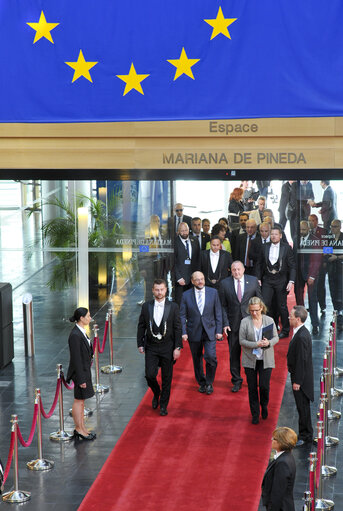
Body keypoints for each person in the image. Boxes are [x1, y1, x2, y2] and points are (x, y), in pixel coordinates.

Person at [137, 279, 182, 416]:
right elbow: (141, 326)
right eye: (157, 290)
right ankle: (157, 393)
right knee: (150, 375)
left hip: (168, 347)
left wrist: (177, 347)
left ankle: (163, 405)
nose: (159, 292)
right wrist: (140, 343)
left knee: (167, 378)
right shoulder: (146, 306)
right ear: (152, 290)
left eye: (162, 289)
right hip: (151, 347)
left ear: (166, 290)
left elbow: (178, 328)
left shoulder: (173, 307)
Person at [220, 260, 263, 392]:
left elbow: (260, 302)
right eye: (234, 270)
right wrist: (225, 323)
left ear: (244, 269)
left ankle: (253, 379)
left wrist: (259, 321)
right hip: (233, 325)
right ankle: (236, 380)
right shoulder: (224, 283)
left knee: (252, 353)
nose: (237, 272)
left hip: (251, 324)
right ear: (230, 271)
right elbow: (222, 306)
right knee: (234, 354)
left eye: (239, 269)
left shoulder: (254, 281)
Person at [180, 272, 222, 394]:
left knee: (210, 356)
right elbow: (182, 315)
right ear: (192, 281)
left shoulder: (213, 292)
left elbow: (218, 312)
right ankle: (202, 383)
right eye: (197, 280)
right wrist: (184, 332)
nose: (200, 281)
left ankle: (209, 382)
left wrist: (219, 330)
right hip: (194, 331)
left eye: (202, 279)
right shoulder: (186, 295)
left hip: (210, 331)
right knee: (196, 359)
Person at [239, 297, 278, 424]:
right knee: (252, 388)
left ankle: (264, 405)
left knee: (264, 386)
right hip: (250, 359)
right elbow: (242, 341)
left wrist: (268, 342)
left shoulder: (269, 320)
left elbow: (276, 338)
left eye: (256, 310)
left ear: (261, 308)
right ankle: (255, 414)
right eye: (251, 311)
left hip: (266, 359)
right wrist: (256, 344)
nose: (254, 313)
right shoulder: (245, 322)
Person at [256, 226, 296, 338]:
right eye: (272, 234)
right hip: (267, 280)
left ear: (280, 235)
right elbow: (259, 264)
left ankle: (286, 330)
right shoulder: (264, 247)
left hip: (281, 280)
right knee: (265, 305)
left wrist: (291, 281)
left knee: (282, 306)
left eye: (276, 234)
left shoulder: (286, 248)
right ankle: (268, 330)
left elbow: (292, 266)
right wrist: (258, 278)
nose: (273, 236)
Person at [66, 307, 96, 441]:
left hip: (84, 371)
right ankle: (79, 429)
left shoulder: (81, 332)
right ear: (81, 318)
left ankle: (82, 428)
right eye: (88, 316)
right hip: (80, 373)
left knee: (82, 401)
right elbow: (76, 358)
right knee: (79, 401)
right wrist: (81, 378)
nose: (90, 318)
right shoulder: (75, 335)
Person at [287, 306, 314, 445]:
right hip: (301, 377)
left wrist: (297, 381)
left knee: (302, 407)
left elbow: (302, 361)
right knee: (302, 407)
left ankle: (305, 436)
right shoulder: (300, 332)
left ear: (298, 319)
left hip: (301, 380)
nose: (289, 318)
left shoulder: (302, 336)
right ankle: (306, 433)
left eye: (291, 316)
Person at [261, 427, 297, 510]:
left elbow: (278, 492)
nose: (271, 440)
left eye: (274, 438)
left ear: (281, 442)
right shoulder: (285, 456)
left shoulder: (283, 463)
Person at [294, 221, 321, 335]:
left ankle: (315, 325)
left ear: (308, 229)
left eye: (303, 230)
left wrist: (312, 276)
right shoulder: (296, 239)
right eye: (300, 229)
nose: (301, 232)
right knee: (299, 300)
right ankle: (300, 323)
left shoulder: (315, 240)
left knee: (312, 300)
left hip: (311, 274)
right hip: (298, 274)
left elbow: (317, 260)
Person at [174, 222, 201, 305]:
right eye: (182, 231)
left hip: (193, 278)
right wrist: (178, 278)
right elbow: (172, 262)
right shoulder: (174, 242)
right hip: (180, 280)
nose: (184, 233)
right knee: (180, 302)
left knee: (192, 301)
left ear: (189, 230)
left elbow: (198, 258)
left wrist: (197, 274)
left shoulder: (194, 240)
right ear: (178, 231)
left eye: (186, 230)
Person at [308, 214, 328, 314]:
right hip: (310, 265)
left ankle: (322, 305)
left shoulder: (323, 231)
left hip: (321, 263)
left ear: (316, 221)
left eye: (312, 220)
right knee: (311, 288)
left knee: (320, 285)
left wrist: (324, 259)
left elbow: (328, 248)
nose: (310, 222)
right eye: (309, 220)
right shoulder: (307, 232)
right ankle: (312, 306)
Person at [326, 219, 343, 330]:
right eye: (332, 226)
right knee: (333, 291)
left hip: (341, 268)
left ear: (340, 227)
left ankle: (341, 316)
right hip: (332, 269)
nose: (333, 228)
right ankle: (336, 313)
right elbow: (326, 251)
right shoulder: (328, 238)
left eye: (335, 226)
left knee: (340, 292)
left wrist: (336, 257)